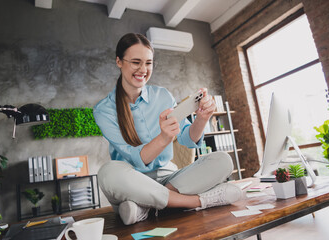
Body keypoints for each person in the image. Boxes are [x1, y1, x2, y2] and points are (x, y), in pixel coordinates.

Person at [93, 33, 242, 225]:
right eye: (136, 62)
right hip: (132, 182)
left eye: (148, 63)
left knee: (222, 160)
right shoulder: (104, 110)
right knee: (108, 172)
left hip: (170, 178)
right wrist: (163, 138)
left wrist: (202, 119)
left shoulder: (162, 95)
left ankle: (144, 207)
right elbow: (136, 159)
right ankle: (200, 201)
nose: (143, 69)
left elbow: (187, 139)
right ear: (119, 61)